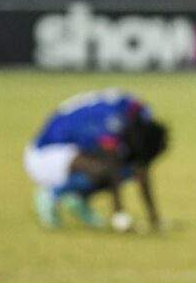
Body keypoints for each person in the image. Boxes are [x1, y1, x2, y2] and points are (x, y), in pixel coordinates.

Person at [24, 89, 167, 232]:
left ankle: (78, 198)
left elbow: (140, 166)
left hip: (72, 150)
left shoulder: (136, 112)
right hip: (45, 154)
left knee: (127, 169)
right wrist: (119, 213)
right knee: (106, 170)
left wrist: (154, 218)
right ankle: (52, 194)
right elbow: (112, 166)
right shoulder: (112, 119)